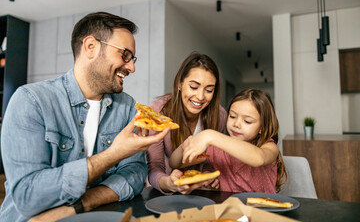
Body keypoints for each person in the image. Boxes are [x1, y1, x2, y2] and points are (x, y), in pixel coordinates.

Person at [0, 12, 169, 222]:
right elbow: (28, 195)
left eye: (132, 58)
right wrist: (113, 154)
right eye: (125, 55)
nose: (131, 67)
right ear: (90, 46)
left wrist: (81, 205)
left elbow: (134, 173)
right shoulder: (32, 100)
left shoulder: (126, 107)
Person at [170, 88, 287, 193]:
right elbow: (175, 163)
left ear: (262, 127)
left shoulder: (269, 146)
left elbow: (258, 158)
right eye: (232, 116)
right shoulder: (216, 149)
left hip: (262, 213)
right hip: (228, 213)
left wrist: (209, 135)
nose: (236, 124)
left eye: (247, 121)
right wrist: (185, 146)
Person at [146, 52, 227, 195]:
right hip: (162, 193)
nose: (200, 97)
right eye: (194, 87)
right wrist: (169, 183)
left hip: (200, 193)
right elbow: (154, 167)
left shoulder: (220, 116)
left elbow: (212, 159)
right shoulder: (157, 112)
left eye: (209, 90)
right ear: (180, 84)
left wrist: (210, 175)